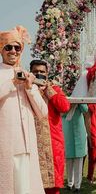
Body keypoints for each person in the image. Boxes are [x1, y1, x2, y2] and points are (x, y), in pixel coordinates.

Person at [0, 25, 48, 194]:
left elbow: (43, 112)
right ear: (1, 50)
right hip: (5, 146)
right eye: (8, 47)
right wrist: (11, 84)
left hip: (27, 146)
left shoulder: (27, 75)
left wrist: (29, 88)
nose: (13, 51)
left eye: (17, 47)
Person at [30, 59, 70, 194]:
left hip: (53, 145)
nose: (39, 74)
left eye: (42, 72)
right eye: (36, 72)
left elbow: (65, 107)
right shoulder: (26, 90)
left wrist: (49, 90)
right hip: (32, 144)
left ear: (47, 74)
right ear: (31, 73)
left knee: (53, 187)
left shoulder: (54, 89)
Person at [63, 104, 88, 192]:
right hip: (67, 132)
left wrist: (78, 101)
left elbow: (85, 109)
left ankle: (77, 185)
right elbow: (61, 112)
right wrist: (70, 104)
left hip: (79, 132)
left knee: (78, 160)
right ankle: (70, 183)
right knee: (69, 160)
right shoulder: (65, 100)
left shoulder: (79, 102)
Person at [84, 104, 96, 184]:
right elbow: (87, 118)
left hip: (95, 129)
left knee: (93, 155)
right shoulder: (88, 103)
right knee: (88, 154)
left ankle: (90, 176)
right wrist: (90, 135)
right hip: (91, 130)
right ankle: (89, 177)